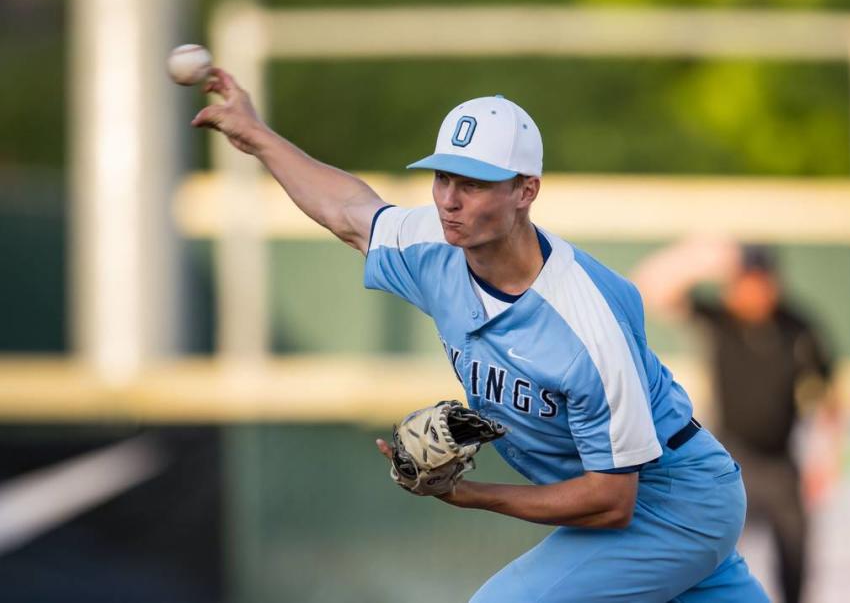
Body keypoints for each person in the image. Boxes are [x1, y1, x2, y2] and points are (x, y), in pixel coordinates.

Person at [193, 68, 769, 602]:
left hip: (667, 501)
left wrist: (470, 495)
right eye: (443, 176)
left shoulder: (588, 318)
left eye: (473, 182)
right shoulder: (435, 248)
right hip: (658, 497)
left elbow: (612, 502)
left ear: (526, 190)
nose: (449, 198)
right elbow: (349, 210)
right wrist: (256, 134)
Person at [631, 239, 840, 603]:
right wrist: (700, 259)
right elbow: (647, 288)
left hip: (780, 463)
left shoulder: (797, 327)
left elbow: (829, 396)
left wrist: (828, 459)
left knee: (795, 554)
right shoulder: (718, 319)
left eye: (760, 282)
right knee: (705, 552)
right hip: (728, 458)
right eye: (744, 282)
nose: (753, 292)